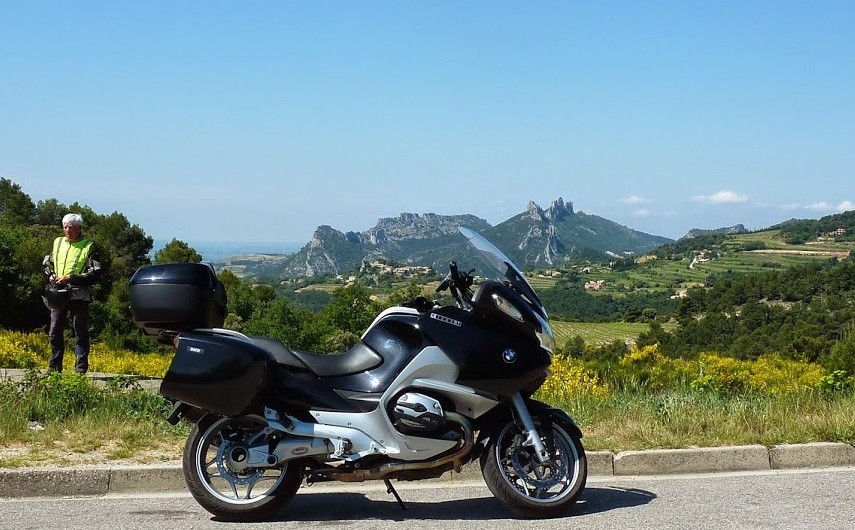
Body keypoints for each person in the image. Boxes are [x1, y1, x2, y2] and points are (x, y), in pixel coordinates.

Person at [42, 213, 103, 373]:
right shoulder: (58, 242)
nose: (68, 230)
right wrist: (51, 275)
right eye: (65, 227)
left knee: (80, 331)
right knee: (54, 331)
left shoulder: (89, 246)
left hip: (79, 295)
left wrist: (71, 279)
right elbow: (47, 262)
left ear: (79, 228)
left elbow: (95, 272)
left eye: (71, 227)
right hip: (58, 294)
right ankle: (54, 368)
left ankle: (80, 368)